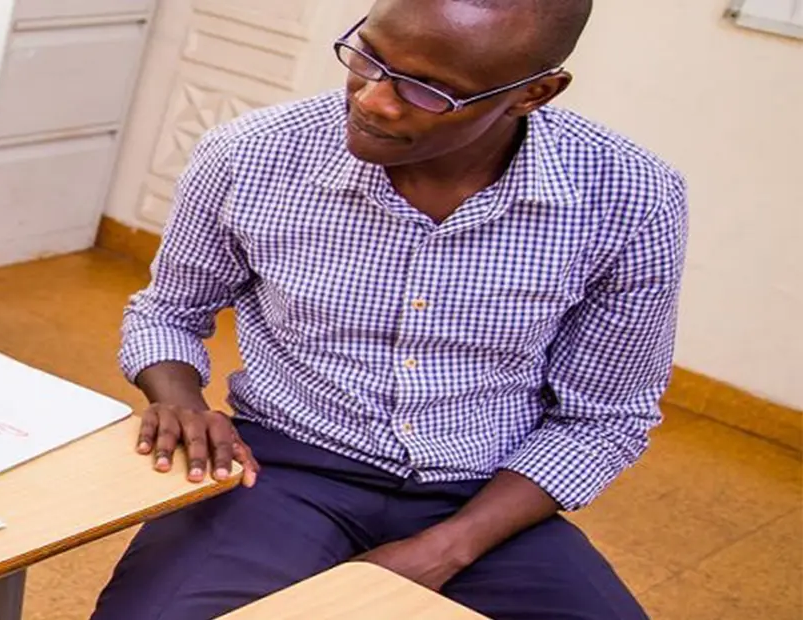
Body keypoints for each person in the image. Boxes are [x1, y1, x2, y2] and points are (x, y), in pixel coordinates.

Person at [94, 0, 682, 618]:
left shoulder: (631, 196)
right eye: (369, 56)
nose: (374, 98)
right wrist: (180, 401)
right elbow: (169, 312)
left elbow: (604, 417)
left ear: (533, 93)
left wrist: (443, 550)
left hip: (488, 493)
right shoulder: (250, 155)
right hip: (279, 469)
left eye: (431, 90)